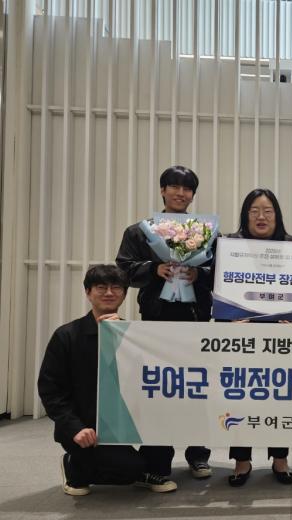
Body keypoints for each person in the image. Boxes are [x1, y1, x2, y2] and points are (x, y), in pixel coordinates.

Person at [38, 265, 177, 495]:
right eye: (101, 287)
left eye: (116, 288)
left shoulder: (135, 335)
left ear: (124, 293)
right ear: (88, 292)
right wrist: (75, 428)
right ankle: (74, 465)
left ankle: (147, 470)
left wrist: (119, 332)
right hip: (85, 426)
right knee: (128, 469)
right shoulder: (67, 335)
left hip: (123, 419)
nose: (109, 293)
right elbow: (50, 389)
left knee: (158, 436)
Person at [115, 165, 213, 479]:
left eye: (187, 189)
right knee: (158, 389)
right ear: (162, 190)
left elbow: (221, 271)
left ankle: (198, 454)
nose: (180, 193)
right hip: (156, 319)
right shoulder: (140, 231)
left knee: (197, 387)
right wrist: (153, 269)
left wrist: (199, 273)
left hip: (196, 319)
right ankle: (157, 458)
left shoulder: (205, 232)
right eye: (174, 187)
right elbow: (123, 270)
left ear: (193, 195)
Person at [217, 188, 292, 487]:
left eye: (267, 211)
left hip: (280, 336)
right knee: (241, 397)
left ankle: (280, 458)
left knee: (280, 396)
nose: (261, 217)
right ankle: (242, 460)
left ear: (277, 215)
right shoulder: (230, 244)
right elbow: (218, 287)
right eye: (254, 211)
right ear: (245, 215)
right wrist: (228, 318)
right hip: (242, 335)